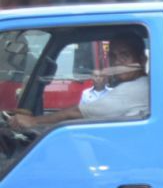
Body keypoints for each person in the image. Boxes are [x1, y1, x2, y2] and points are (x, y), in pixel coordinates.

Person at [8, 32, 149, 130]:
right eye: (112, 56)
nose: (117, 61)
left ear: (142, 60)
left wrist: (33, 122)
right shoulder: (135, 85)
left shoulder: (136, 88)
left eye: (125, 55)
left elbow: (75, 113)